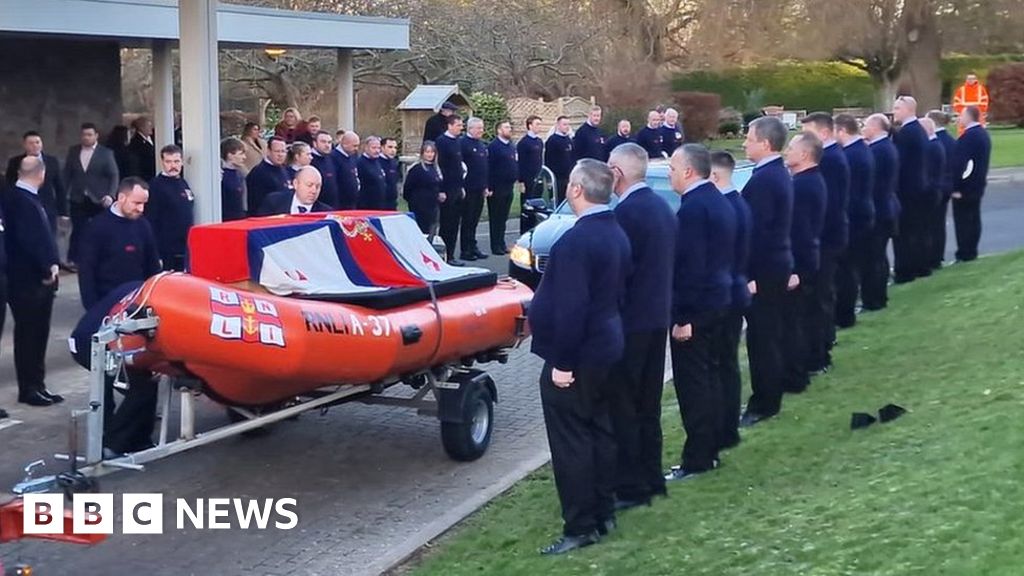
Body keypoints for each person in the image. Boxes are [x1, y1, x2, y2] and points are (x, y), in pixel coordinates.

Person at [527, 159, 630, 555]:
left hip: (578, 356)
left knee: (571, 441)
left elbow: (572, 308)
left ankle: (581, 525)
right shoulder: (615, 232)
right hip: (606, 347)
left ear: (575, 189)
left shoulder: (576, 241)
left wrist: (562, 364)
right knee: (600, 431)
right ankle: (602, 511)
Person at [606, 143, 675, 506]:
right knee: (647, 405)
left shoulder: (628, 214)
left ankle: (631, 486)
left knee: (626, 406)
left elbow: (621, 274)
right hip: (656, 319)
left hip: (632, 324)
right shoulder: (661, 207)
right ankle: (651, 477)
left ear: (618, 172)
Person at [665, 144, 735, 481]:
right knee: (711, 378)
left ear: (689, 171)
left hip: (698, 310)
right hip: (719, 301)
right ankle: (713, 446)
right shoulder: (719, 200)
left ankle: (699, 457)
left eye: (673, 169)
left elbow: (690, 269)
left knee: (695, 386)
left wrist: (682, 318)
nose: (670, 175)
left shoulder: (692, 210)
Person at [740, 117, 794, 426]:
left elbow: (759, 234)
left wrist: (752, 277)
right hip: (774, 267)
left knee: (764, 339)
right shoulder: (774, 174)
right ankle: (767, 396)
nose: (745, 143)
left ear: (765, 143)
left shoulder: (766, 179)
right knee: (767, 336)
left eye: (749, 138)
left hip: (766, 271)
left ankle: (764, 403)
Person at [70, 281, 159, 456]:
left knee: (142, 381)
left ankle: (138, 439)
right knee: (142, 386)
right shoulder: (152, 299)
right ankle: (114, 443)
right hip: (93, 343)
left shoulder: (142, 287)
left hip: (87, 338)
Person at [3, 157, 63, 407]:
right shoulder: (19, 199)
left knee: (39, 335)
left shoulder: (30, 198)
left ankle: (38, 384)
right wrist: (47, 266)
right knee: (29, 335)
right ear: (42, 173)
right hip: (28, 280)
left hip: (37, 278)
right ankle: (29, 388)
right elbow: (30, 241)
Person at [708, 151, 751, 451]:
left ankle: (724, 427)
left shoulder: (726, 208)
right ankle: (728, 426)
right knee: (727, 364)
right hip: (736, 290)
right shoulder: (739, 204)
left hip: (727, 293)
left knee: (721, 365)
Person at [801, 112, 849, 369]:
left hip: (826, 238)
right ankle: (824, 341)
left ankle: (820, 352)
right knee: (823, 296)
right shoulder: (831, 157)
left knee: (819, 297)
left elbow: (826, 206)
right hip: (828, 236)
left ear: (825, 133)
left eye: (808, 133)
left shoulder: (829, 160)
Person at [784, 133, 827, 392]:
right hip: (810, 258)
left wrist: (795, 270)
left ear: (804, 154)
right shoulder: (810, 180)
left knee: (797, 321)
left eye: (791, 148)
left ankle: (798, 373)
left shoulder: (802, 186)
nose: (786, 151)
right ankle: (813, 359)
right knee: (808, 315)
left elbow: (799, 231)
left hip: (802, 263)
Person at [78, 177, 160, 309]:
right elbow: (87, 270)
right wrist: (92, 307)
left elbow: (152, 265)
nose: (141, 209)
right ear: (122, 198)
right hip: (107, 301)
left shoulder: (143, 225)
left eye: (144, 204)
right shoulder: (97, 227)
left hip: (137, 301)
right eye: (137, 203)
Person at [834, 113, 876, 330]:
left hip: (855, 217)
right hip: (863, 213)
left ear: (841, 130)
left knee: (848, 269)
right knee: (853, 267)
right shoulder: (863, 149)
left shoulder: (851, 154)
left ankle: (845, 314)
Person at [65, 122, 120, 270]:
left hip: (99, 198)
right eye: (84, 135)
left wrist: (110, 195)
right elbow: (67, 175)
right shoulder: (73, 151)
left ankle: (103, 256)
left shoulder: (106, 153)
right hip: (78, 197)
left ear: (96, 136)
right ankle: (75, 260)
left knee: (101, 228)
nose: (86, 138)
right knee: (78, 229)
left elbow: (114, 175)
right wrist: (65, 195)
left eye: (89, 135)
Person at [861, 113, 901, 311]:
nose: (863, 128)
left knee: (873, 258)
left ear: (876, 127)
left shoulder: (878, 150)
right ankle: (879, 296)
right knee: (879, 257)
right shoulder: (886, 147)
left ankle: (873, 300)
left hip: (880, 210)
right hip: (887, 207)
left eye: (866, 125)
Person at [5, 131, 68, 249]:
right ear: (24, 145)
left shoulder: (51, 161)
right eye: (31, 143)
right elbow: (9, 186)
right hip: (23, 208)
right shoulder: (15, 162)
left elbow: (60, 187)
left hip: (47, 207)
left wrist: (63, 212)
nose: (35, 145)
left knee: (48, 241)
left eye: (37, 142)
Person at [891, 95, 929, 282]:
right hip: (917, 187)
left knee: (905, 233)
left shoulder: (907, 133)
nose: (894, 111)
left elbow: (899, 161)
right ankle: (919, 266)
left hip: (907, 189)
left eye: (897, 108)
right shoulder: (918, 130)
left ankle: (905, 271)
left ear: (908, 110)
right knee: (916, 230)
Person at [951, 106, 991, 262]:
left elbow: (964, 165)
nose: (959, 119)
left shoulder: (969, 137)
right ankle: (971, 250)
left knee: (964, 222)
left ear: (969, 116)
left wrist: (957, 187)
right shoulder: (982, 134)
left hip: (966, 189)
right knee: (973, 219)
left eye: (961, 115)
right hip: (977, 185)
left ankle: (965, 252)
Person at [146, 145, 193, 272]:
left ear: (182, 162)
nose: (173, 165)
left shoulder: (183, 183)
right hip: (166, 249)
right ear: (162, 162)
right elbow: (151, 220)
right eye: (168, 162)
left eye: (176, 161)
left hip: (184, 246)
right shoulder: (156, 186)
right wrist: (156, 253)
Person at [927, 110, 958, 269]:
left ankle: (932, 256)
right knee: (939, 223)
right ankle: (938, 256)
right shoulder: (951, 141)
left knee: (932, 223)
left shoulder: (934, 142)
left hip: (936, 185)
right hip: (947, 185)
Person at [435, 115, 466, 264]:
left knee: (455, 223)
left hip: (457, 188)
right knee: (446, 224)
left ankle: (452, 254)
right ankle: (444, 255)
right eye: (458, 125)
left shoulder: (458, 142)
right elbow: (439, 167)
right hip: (446, 189)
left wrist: (461, 187)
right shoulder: (442, 142)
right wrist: (441, 189)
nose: (461, 128)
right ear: (450, 125)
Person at [459, 117, 491, 261]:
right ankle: (466, 250)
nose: (481, 131)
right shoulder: (463, 144)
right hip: (468, 188)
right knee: (468, 219)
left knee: (475, 220)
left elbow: (484, 167)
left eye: (482, 128)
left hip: (480, 187)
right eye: (478, 128)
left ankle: (473, 246)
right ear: (470, 128)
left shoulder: (482, 145)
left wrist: (485, 186)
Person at [920, 116, 947, 274]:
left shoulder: (931, 147)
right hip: (936, 190)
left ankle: (931, 258)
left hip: (931, 192)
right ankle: (934, 257)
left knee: (930, 227)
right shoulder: (936, 145)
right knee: (935, 226)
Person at [487, 121, 517, 255]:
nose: (509, 129)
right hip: (497, 187)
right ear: (499, 130)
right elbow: (489, 168)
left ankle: (501, 242)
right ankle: (495, 245)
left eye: (510, 127)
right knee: (496, 217)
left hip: (509, 186)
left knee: (504, 217)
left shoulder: (511, 146)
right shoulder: (494, 147)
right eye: (506, 127)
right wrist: (490, 187)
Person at [403, 141, 444, 235]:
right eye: (427, 152)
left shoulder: (435, 168)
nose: (430, 154)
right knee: (422, 231)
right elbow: (408, 188)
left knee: (432, 230)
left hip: (433, 206)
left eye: (432, 152)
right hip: (420, 206)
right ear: (422, 153)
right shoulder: (416, 169)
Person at [258, 166, 330, 216]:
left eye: (318, 186)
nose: (314, 191)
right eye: (309, 185)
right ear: (295, 184)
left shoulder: (326, 213)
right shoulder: (273, 202)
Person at [245, 136, 290, 216]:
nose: (280, 155)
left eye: (283, 151)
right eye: (277, 151)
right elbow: (256, 203)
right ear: (268, 151)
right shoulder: (259, 173)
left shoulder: (284, 170)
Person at [517, 115, 545, 232]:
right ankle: (524, 231)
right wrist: (521, 181)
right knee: (527, 206)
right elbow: (520, 163)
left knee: (537, 205)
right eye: (537, 124)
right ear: (530, 126)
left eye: (540, 124)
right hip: (527, 180)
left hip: (538, 178)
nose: (539, 127)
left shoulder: (539, 141)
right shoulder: (523, 143)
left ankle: (535, 229)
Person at [545, 116, 575, 204]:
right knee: (559, 201)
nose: (567, 126)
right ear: (558, 125)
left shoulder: (569, 140)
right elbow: (548, 160)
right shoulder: (552, 140)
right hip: (558, 179)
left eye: (568, 124)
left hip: (569, 178)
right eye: (564, 124)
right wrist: (549, 180)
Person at [331, 131, 361, 210]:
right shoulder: (333, 157)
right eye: (354, 146)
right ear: (345, 143)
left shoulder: (353, 156)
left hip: (352, 203)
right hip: (340, 204)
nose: (356, 149)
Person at [309, 131, 339, 209]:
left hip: (333, 207)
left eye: (329, 142)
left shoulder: (331, 158)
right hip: (316, 208)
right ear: (315, 143)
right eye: (323, 142)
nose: (327, 145)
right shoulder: (310, 160)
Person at [220, 137, 248, 221]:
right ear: (230, 155)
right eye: (241, 154)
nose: (244, 157)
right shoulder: (221, 175)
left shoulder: (240, 174)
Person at [356, 136, 388, 210]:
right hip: (366, 205)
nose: (377, 151)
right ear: (366, 147)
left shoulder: (377, 161)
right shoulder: (360, 163)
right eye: (373, 148)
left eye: (379, 148)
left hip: (380, 204)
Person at [380, 137, 401, 211]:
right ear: (382, 148)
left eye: (395, 148)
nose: (393, 150)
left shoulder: (394, 162)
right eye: (390, 147)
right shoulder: (377, 162)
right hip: (380, 204)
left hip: (392, 203)